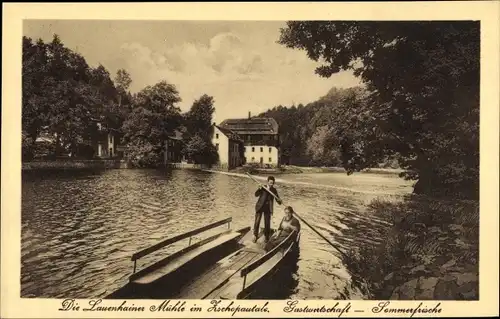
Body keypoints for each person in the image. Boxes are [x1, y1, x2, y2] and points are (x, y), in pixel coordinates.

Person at [253, 176, 282, 243]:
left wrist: (279, 200)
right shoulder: (263, 187)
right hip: (260, 206)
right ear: (267, 182)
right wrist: (259, 188)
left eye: (272, 183)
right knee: (257, 222)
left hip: (268, 208)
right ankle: (255, 235)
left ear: (273, 183)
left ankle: (266, 237)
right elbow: (256, 195)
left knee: (267, 223)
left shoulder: (274, 190)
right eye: (270, 183)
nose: (271, 184)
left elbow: (279, 201)